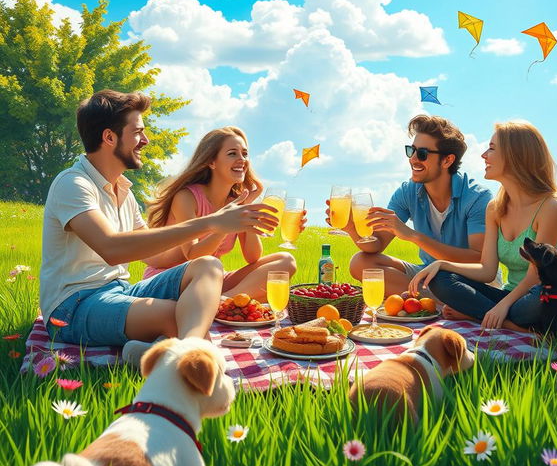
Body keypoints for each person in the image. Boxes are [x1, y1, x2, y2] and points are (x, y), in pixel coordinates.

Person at [40, 90, 278, 366]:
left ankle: (167, 354)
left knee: (208, 266)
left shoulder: (123, 192)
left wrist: (216, 232)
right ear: (109, 137)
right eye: (138, 132)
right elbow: (112, 248)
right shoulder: (73, 184)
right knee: (179, 315)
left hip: (119, 290)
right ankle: (187, 360)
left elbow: (156, 257)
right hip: (73, 308)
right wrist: (211, 222)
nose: (146, 140)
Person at [408, 121, 557, 334]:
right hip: (514, 296)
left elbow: (536, 276)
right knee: (440, 280)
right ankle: (515, 324)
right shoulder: (495, 209)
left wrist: (502, 306)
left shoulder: (550, 206)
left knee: (535, 301)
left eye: (491, 148)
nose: (484, 155)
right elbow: (487, 270)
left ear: (515, 155)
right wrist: (443, 265)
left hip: (552, 297)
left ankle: (496, 318)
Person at [331, 115, 492, 297]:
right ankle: (435, 301)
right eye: (411, 151)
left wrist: (413, 236)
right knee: (360, 263)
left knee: (458, 286)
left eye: (422, 154)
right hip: (430, 275)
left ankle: (440, 301)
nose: (413, 159)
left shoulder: (477, 197)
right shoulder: (407, 192)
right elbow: (376, 244)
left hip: (471, 281)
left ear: (447, 160)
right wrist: (352, 228)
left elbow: (478, 260)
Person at [142, 127, 297, 300]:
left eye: (244, 154)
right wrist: (223, 227)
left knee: (286, 261)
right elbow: (193, 255)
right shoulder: (187, 197)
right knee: (210, 266)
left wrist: (247, 208)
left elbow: (253, 257)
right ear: (211, 162)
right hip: (172, 281)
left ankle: (226, 303)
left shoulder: (236, 201)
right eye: (232, 154)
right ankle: (221, 305)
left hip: (210, 279)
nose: (242, 160)